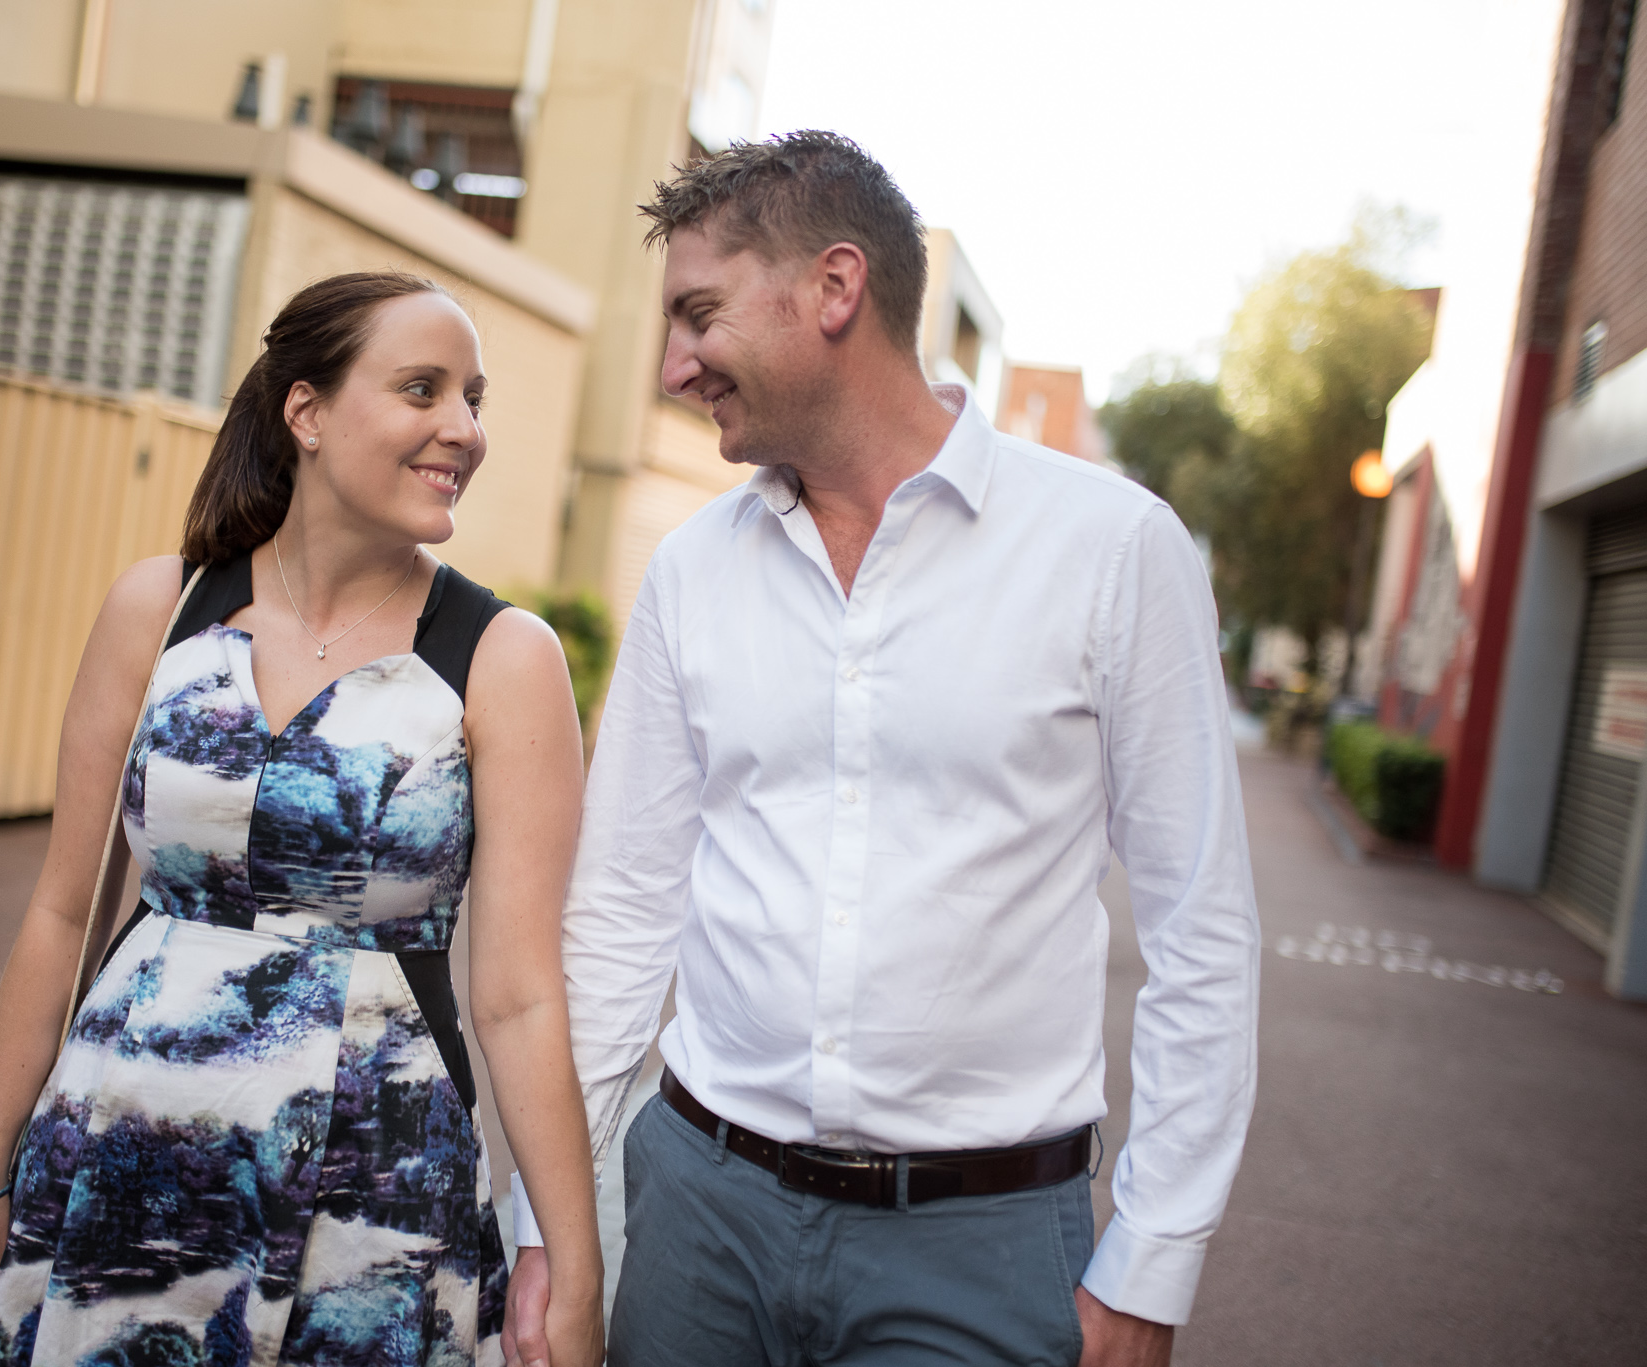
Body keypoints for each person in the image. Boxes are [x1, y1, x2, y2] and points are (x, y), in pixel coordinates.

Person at [503, 133, 1259, 1367]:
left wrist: (1151, 1259)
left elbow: (1200, 928)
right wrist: (549, 1214)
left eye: (698, 313)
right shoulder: (692, 569)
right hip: (696, 1211)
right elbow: (624, 908)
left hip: (983, 1244)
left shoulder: (1114, 550)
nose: (673, 362)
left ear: (834, 289)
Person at [0, 271, 605, 1367]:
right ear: (307, 412)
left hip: (367, 1201)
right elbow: (61, 913)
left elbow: (521, 997)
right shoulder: (162, 609)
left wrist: (565, 1264)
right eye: (422, 389)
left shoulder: (499, 657)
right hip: (117, 1162)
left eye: (473, 398)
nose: (462, 430)